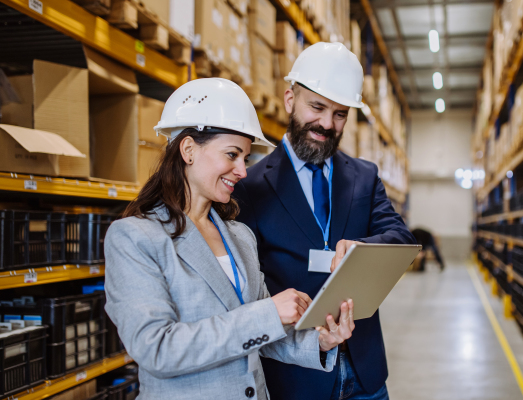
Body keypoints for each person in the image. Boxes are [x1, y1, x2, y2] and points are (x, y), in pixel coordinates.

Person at [104, 78, 356, 400]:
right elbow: (157, 349)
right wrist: (267, 313)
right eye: (232, 154)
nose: (243, 171)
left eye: (246, 158)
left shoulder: (239, 237)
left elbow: (263, 334)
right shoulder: (136, 238)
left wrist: (320, 341)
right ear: (189, 150)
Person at [233, 43, 416, 400]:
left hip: (365, 373)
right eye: (316, 107)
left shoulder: (363, 176)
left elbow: (400, 237)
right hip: (294, 379)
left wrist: (364, 249)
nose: (327, 124)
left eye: (340, 114)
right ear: (289, 100)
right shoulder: (250, 187)